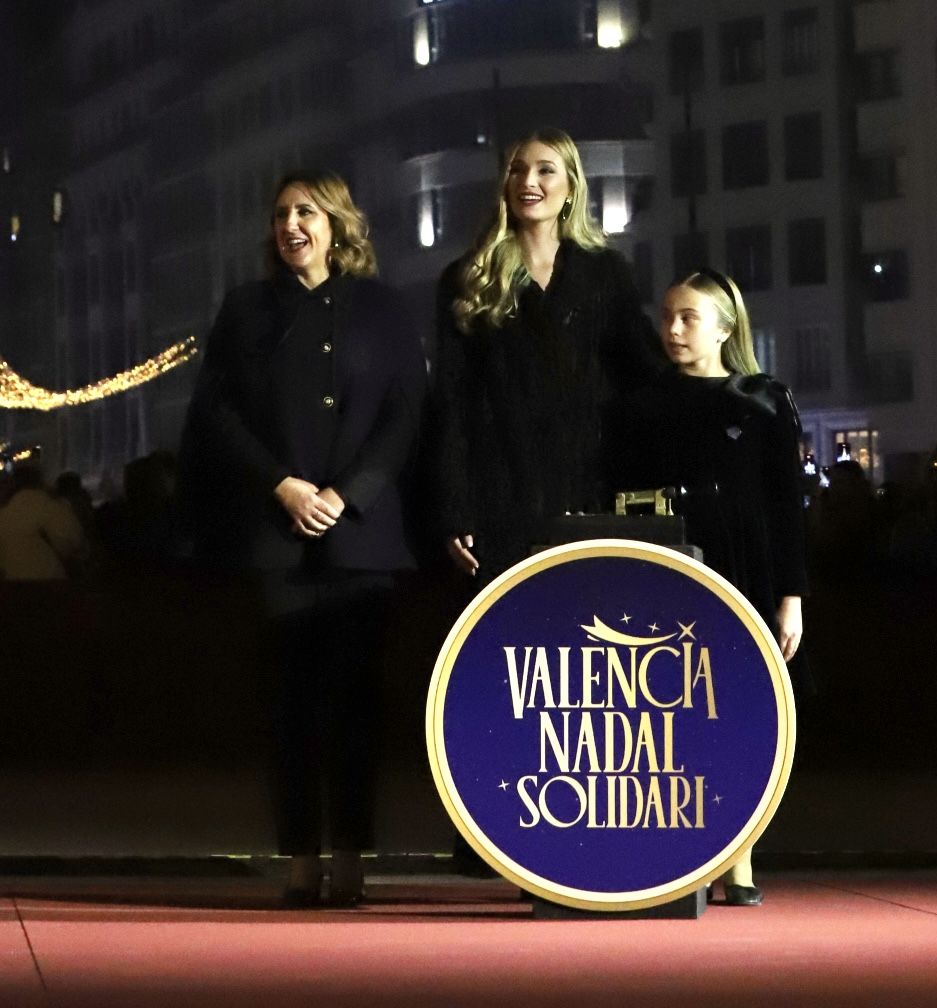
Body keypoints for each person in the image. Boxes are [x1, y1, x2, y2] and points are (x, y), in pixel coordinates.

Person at [181, 172, 427, 909]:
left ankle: (351, 854)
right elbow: (219, 413)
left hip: (361, 539)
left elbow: (405, 412)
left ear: (338, 224)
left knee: (357, 703)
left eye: (307, 212)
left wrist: (347, 494)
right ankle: (300, 857)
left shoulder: (382, 309)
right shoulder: (246, 309)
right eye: (282, 213)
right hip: (278, 537)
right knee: (289, 703)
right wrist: (281, 484)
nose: (292, 225)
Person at [611, 267, 807, 907]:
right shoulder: (640, 404)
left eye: (688, 317)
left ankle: (741, 855)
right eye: (666, 315)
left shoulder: (765, 399)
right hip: (668, 563)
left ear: (726, 326)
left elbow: (787, 506)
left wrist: (791, 595)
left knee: (740, 712)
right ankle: (687, 855)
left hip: (743, 565)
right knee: (670, 712)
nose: (671, 329)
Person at [431, 130, 662, 585]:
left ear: (571, 186)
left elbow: (645, 375)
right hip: (498, 500)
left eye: (544, 169)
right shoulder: (465, 279)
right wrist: (453, 508)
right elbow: (451, 403)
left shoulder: (606, 273)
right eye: (517, 170)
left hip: (590, 495)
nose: (527, 181)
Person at [0, 458, 91, 581]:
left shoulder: (5, 510)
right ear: (39, 479)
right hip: (49, 582)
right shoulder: (50, 505)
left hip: (11, 585)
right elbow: (74, 538)